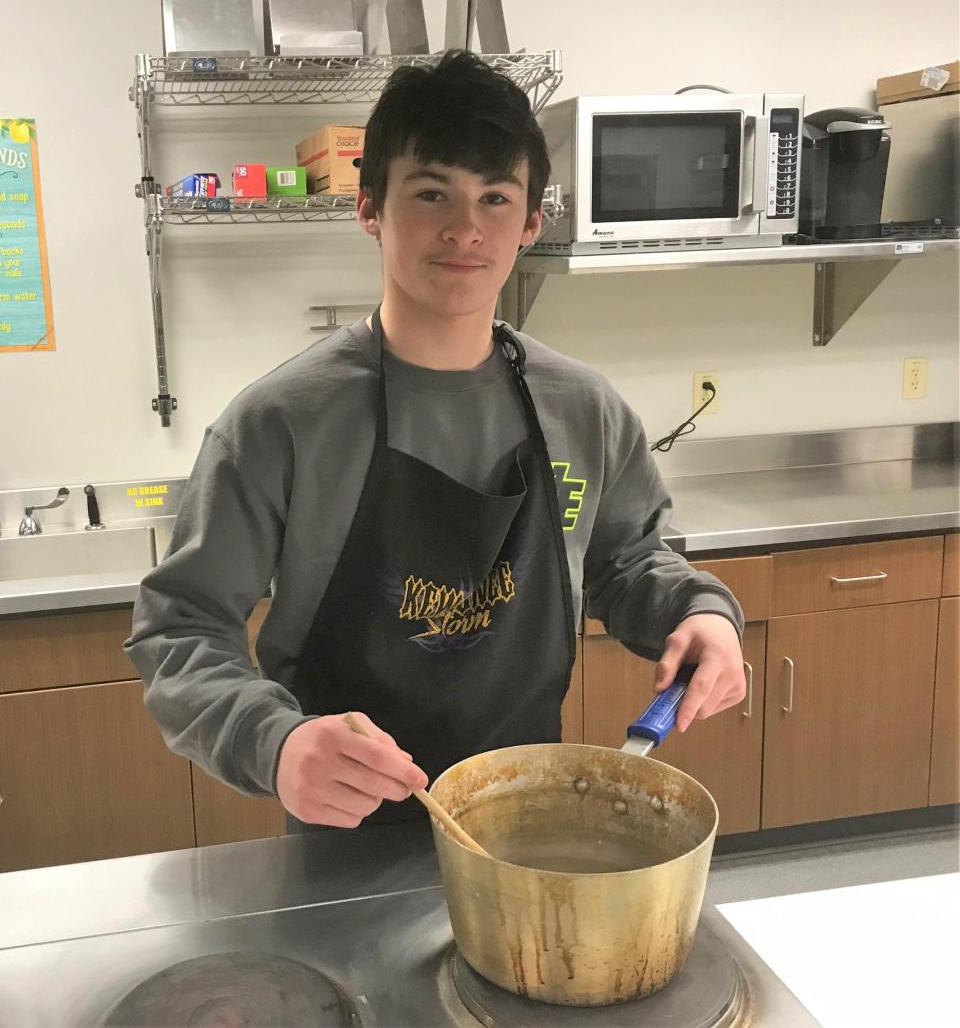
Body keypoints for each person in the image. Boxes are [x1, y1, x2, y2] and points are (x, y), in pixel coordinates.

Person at [125, 50, 746, 834]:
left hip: (524, 827)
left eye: (495, 198)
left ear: (529, 223)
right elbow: (182, 625)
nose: (464, 228)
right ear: (369, 207)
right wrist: (274, 743)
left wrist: (704, 614)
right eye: (431, 193)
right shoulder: (282, 422)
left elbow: (630, 562)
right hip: (340, 843)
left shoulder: (583, 410)